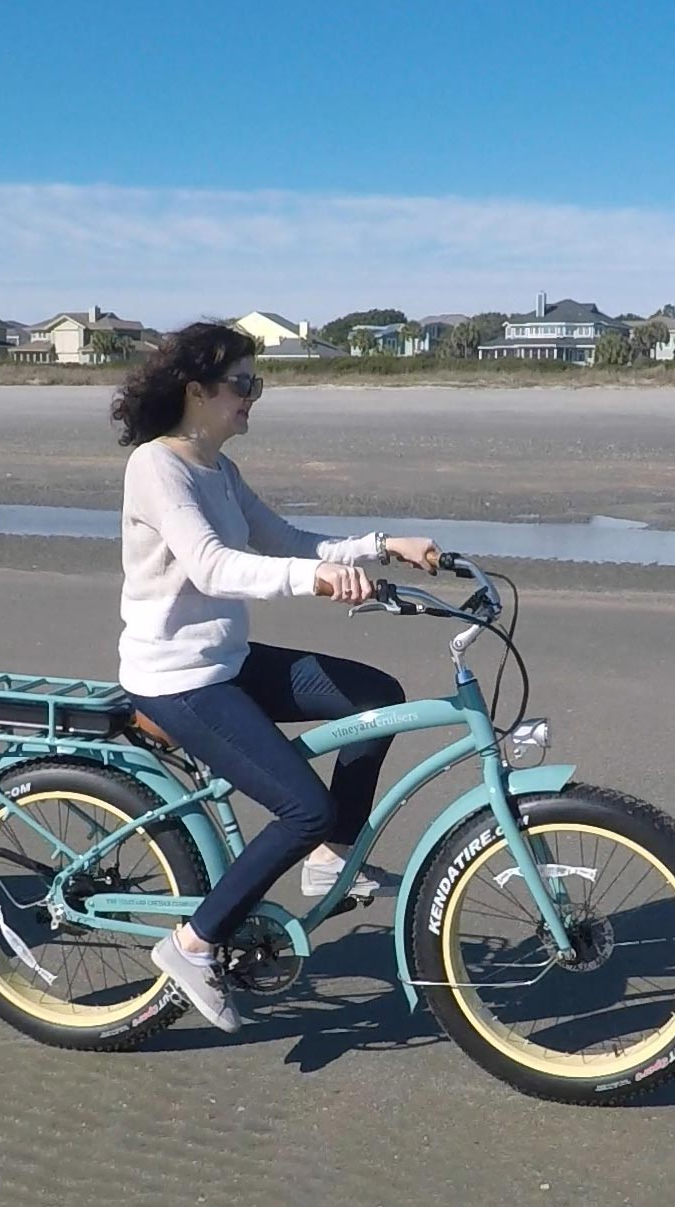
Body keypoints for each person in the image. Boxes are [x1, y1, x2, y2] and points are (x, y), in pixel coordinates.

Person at [114, 321, 440, 1033]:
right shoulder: (156, 466)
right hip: (176, 677)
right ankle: (192, 945)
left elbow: (287, 540)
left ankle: (330, 859)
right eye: (243, 383)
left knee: (375, 699)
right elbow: (212, 566)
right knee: (303, 807)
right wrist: (314, 580)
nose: (253, 396)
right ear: (196, 390)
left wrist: (384, 546)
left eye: (256, 383)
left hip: (227, 660)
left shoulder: (219, 470)